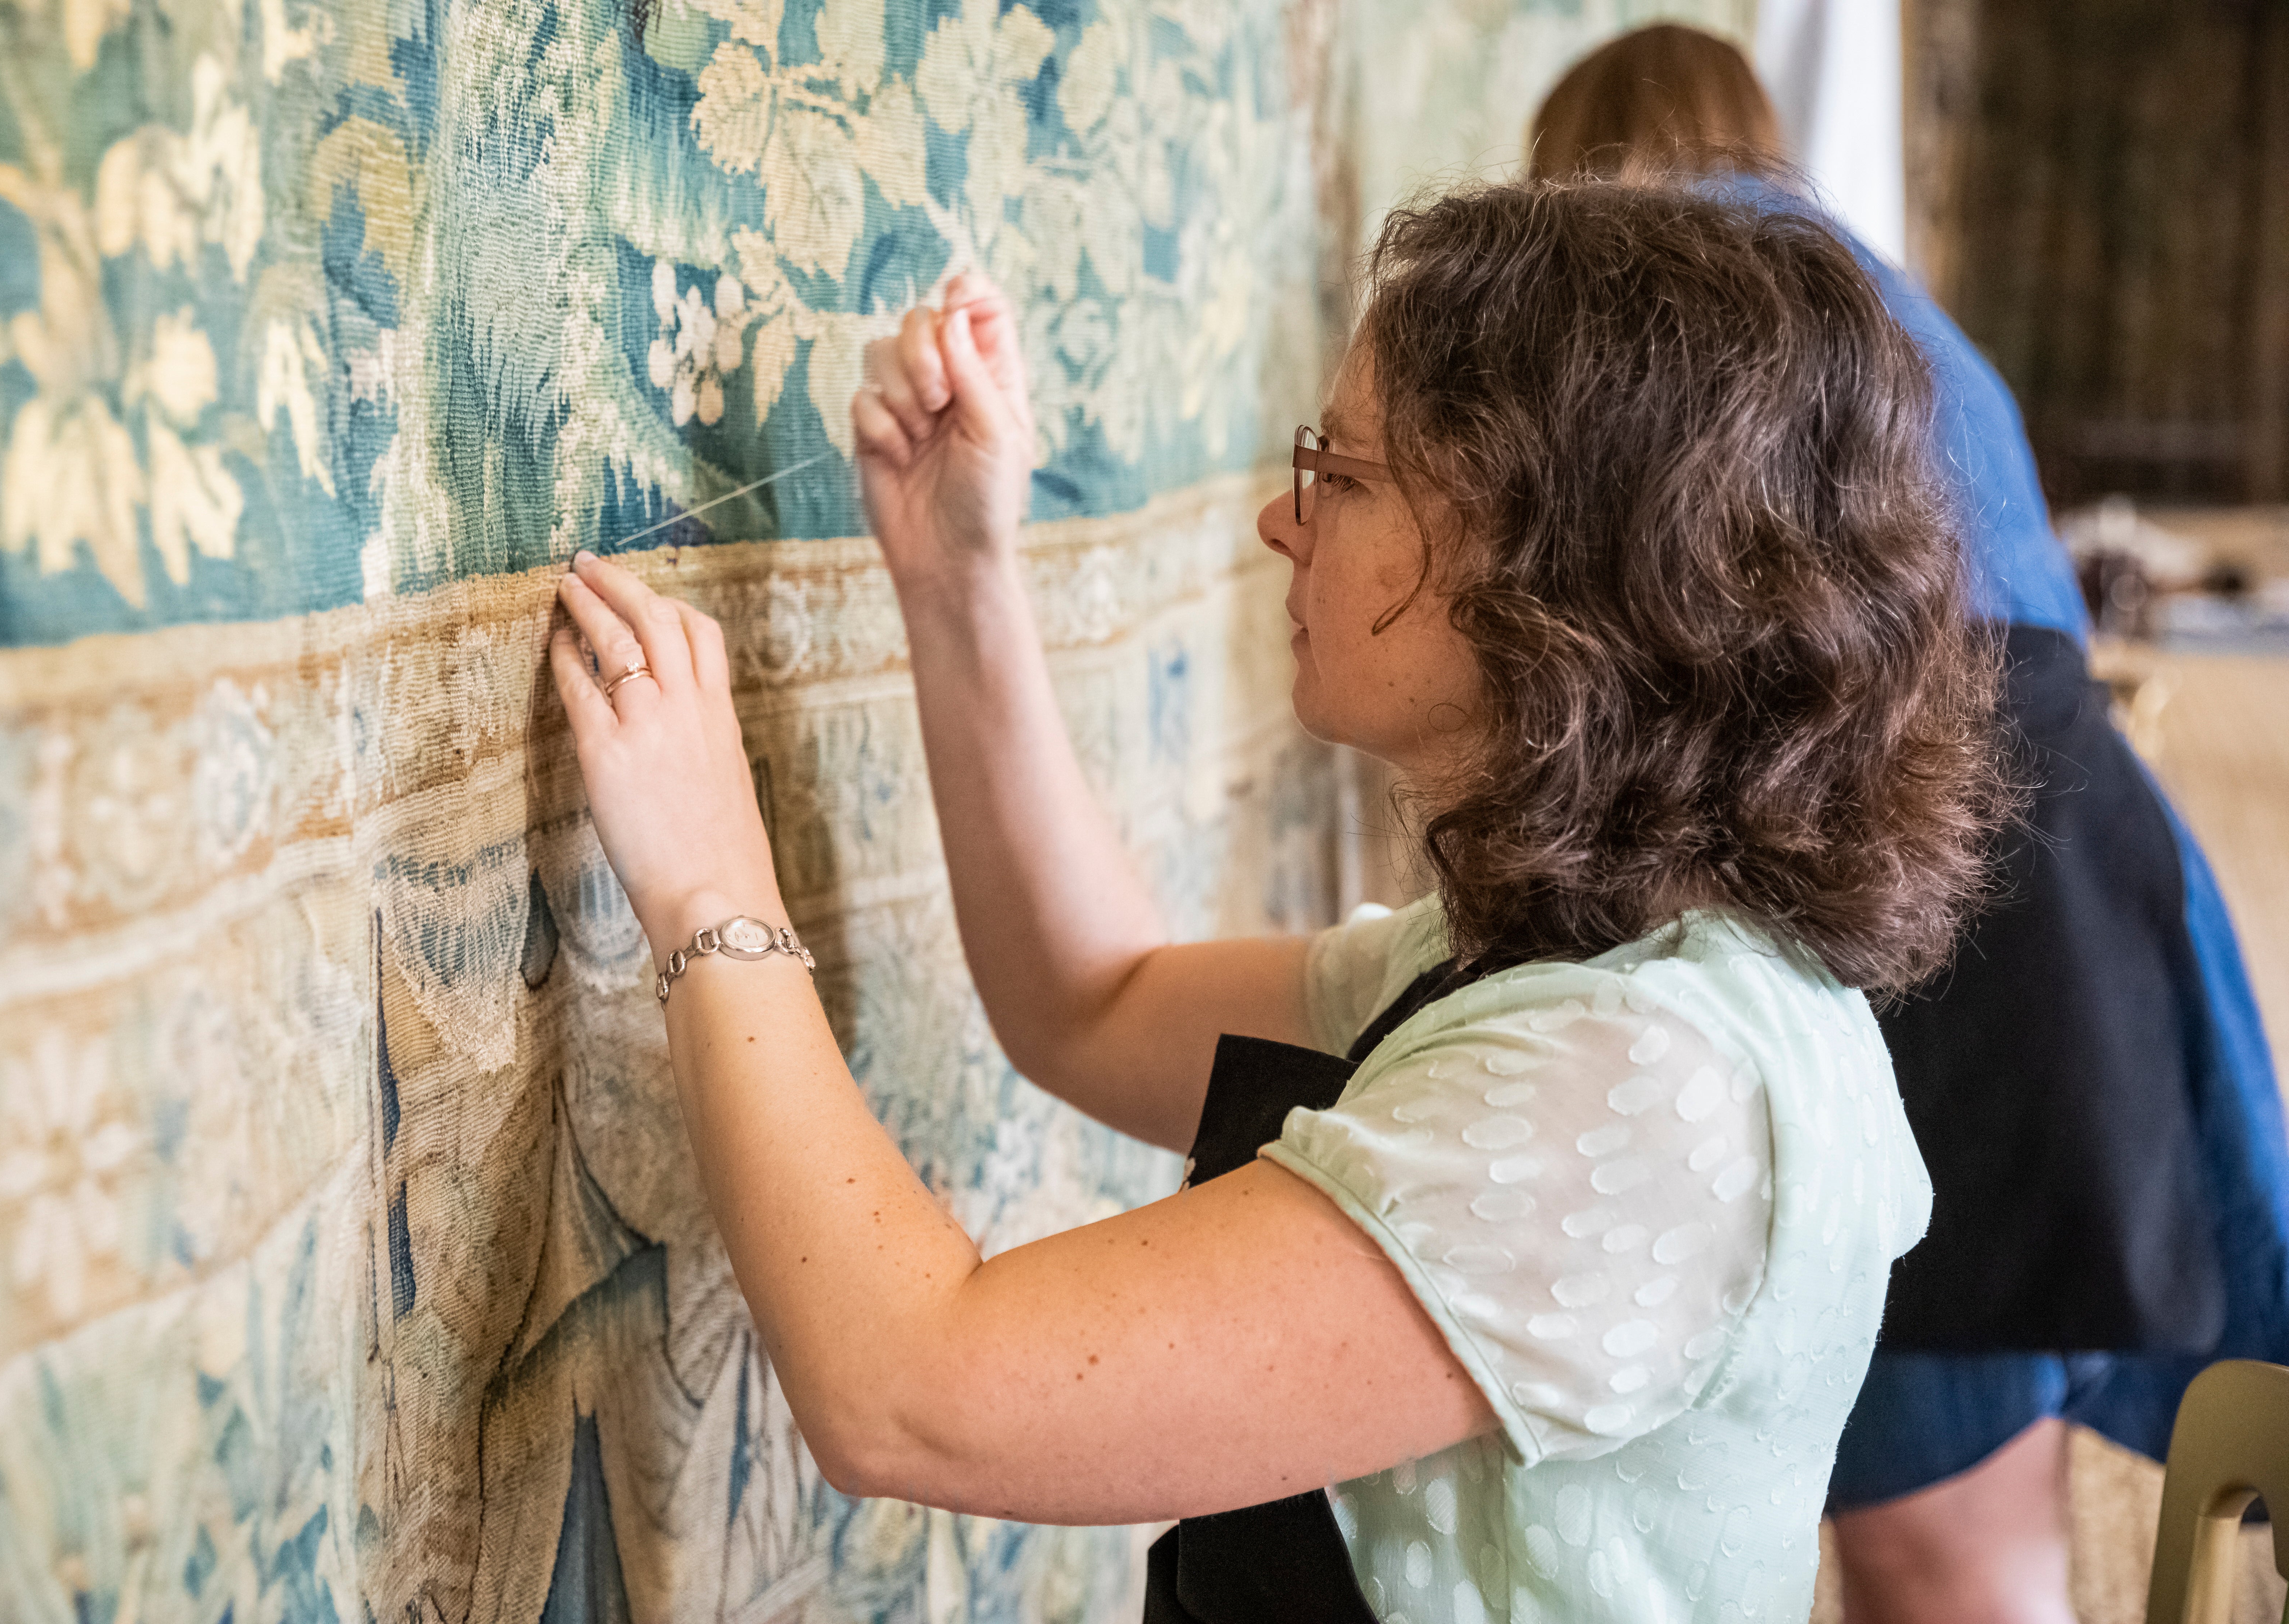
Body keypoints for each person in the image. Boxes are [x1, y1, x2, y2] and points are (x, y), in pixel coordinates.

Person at [545, 182, 2010, 1622]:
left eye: (1346, 474)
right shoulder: (1603, 962)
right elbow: (1092, 997)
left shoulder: (1638, 1093)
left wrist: (709, 886)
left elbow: (907, 1392)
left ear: (1548, 563)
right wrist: (958, 575)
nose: (1279, 520)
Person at [1529, 25, 2289, 1624]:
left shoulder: (1692, 302)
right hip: (2044, 870)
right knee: (1958, 1528)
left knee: (1939, 1550)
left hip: (1959, 902)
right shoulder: (1867, 290)